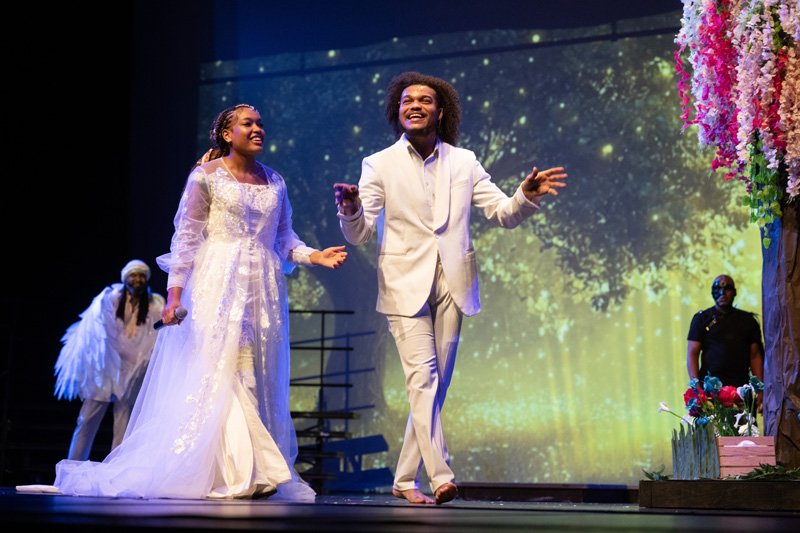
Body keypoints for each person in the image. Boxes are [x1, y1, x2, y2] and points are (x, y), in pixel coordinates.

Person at [53, 104, 347, 500]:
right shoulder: (205, 177)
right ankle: (244, 471)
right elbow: (186, 240)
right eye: (248, 123)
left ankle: (235, 470)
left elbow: (284, 239)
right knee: (227, 369)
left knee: (254, 371)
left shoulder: (275, 181)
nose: (257, 129)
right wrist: (174, 296)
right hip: (217, 284)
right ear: (227, 133)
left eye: (260, 123)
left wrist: (314, 256)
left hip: (263, 290)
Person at [333, 72, 567, 504]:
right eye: (407, 100)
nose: (415, 105)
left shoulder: (464, 161)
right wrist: (350, 210)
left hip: (453, 282)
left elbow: (502, 213)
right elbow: (361, 233)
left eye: (424, 100)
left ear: (441, 112)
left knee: (435, 386)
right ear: (398, 110)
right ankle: (441, 476)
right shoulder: (378, 164)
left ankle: (404, 479)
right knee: (422, 379)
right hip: (403, 283)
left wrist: (525, 196)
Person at [54, 260, 165, 460]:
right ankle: (73, 464)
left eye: (141, 275)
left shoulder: (154, 304)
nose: (137, 279)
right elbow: (94, 332)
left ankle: (115, 466)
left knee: (124, 421)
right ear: (125, 278)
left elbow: (156, 337)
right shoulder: (109, 299)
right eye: (133, 275)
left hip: (132, 369)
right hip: (105, 367)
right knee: (87, 418)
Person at [687, 274, 765, 397]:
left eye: (727, 289)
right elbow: (692, 354)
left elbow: (755, 356)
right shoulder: (701, 319)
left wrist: (759, 390)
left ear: (734, 292)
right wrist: (697, 389)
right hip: (711, 391)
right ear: (712, 293)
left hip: (742, 390)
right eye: (718, 289)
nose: (722, 293)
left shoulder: (748, 321)